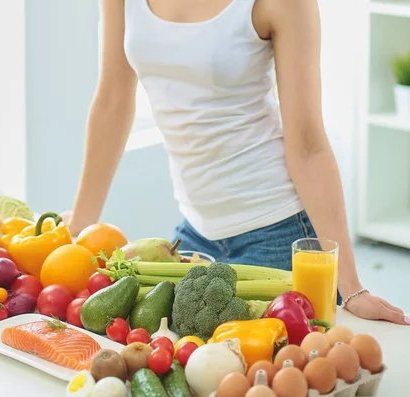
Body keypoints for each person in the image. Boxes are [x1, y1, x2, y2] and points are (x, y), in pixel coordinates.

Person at [62, 0, 409, 325]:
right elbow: (112, 100)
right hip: (194, 236)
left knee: (276, 381)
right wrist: (81, 226)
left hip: (277, 230)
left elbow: (308, 146)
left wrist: (351, 287)